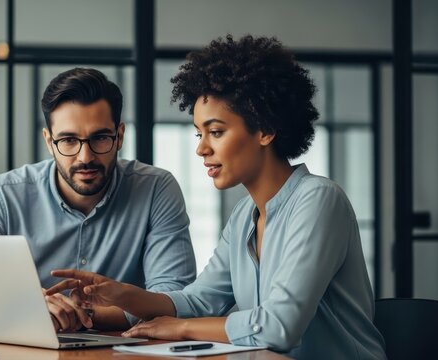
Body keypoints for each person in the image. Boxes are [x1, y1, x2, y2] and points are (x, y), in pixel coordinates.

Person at [46, 35, 387, 359]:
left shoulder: (319, 201)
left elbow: (279, 326)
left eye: (216, 132)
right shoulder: (244, 217)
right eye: (199, 133)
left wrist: (181, 329)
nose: (201, 148)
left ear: (265, 129)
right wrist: (125, 295)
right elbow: (201, 299)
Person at [0, 68, 196, 332]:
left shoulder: (156, 189)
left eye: (100, 138)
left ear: (120, 136)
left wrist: (78, 315)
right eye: (69, 140)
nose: (85, 157)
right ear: (49, 141)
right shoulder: (2, 196)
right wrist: (25, 313)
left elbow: (174, 300)